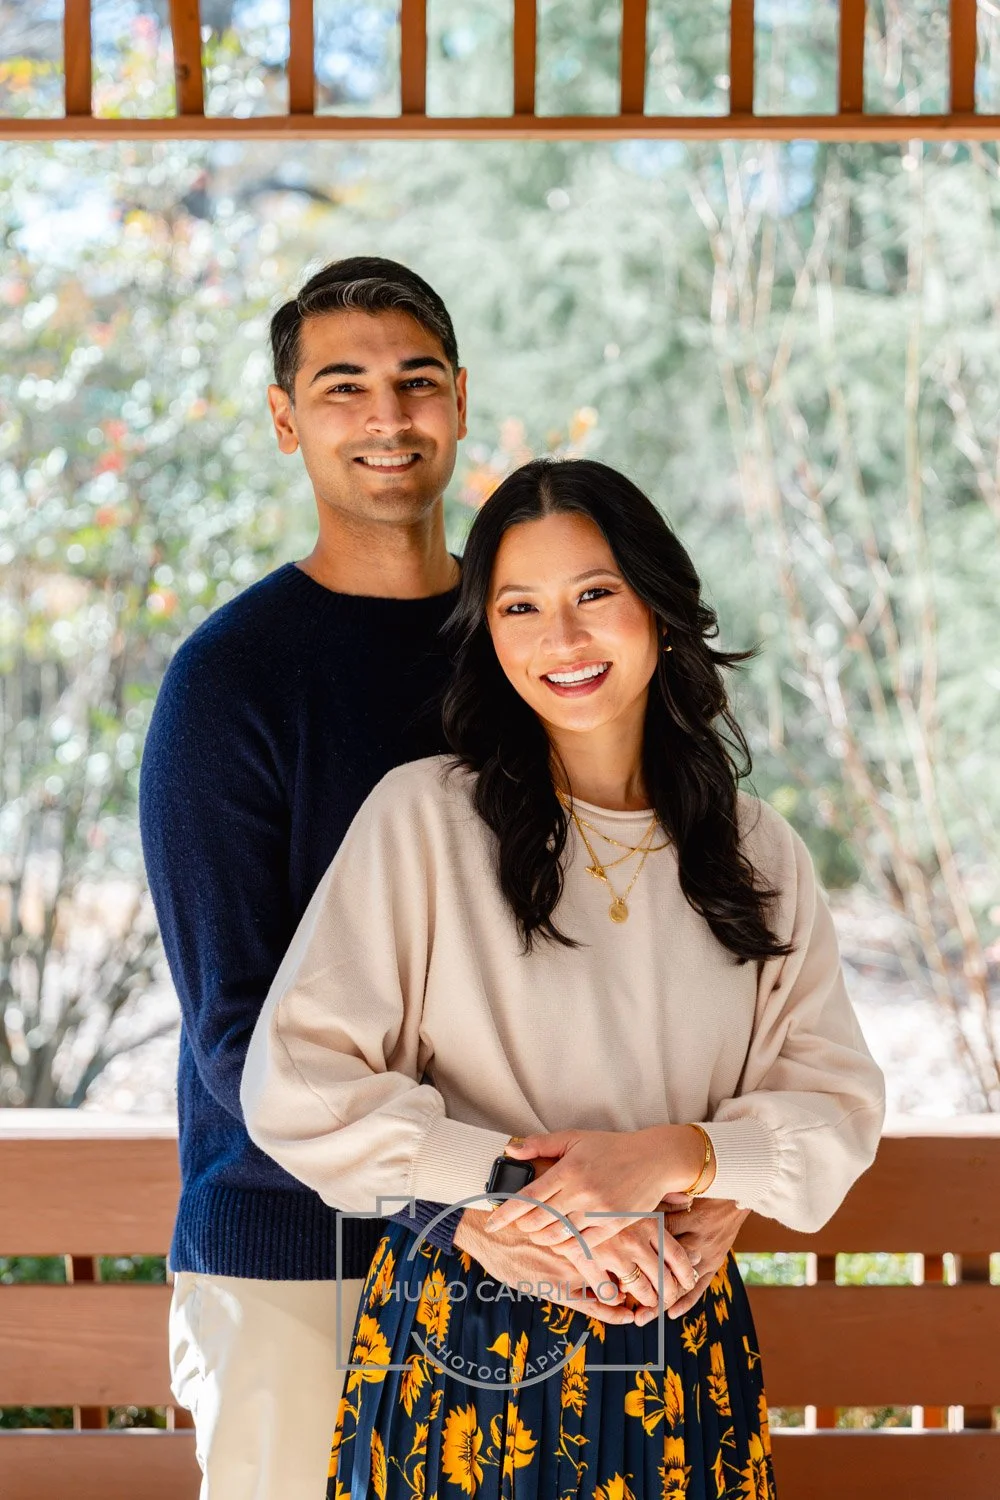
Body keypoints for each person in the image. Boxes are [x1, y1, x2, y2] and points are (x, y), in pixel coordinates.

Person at [139, 260, 747, 1498]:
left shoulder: (540, 644)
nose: (386, 416)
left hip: (557, 1254)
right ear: (283, 417)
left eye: (416, 382)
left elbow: (641, 943)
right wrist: (460, 1213)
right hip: (300, 1259)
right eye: (342, 386)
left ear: (460, 402)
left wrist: (704, 1173)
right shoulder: (231, 685)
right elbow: (233, 1033)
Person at [242, 455, 886, 1500]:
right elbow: (295, 1082)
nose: (562, 639)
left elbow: (835, 1105)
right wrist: (503, 1189)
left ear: (658, 607)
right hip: (467, 1333)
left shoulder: (756, 851)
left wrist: (693, 1162)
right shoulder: (424, 821)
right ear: (488, 636)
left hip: (677, 1336)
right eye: (520, 606)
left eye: (595, 594)